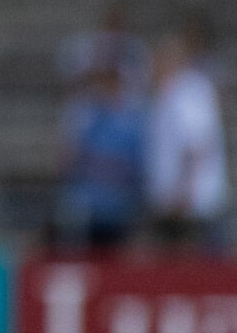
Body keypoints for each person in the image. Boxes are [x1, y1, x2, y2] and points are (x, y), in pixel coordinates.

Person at [145, 21, 228, 251]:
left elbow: (195, 145)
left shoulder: (185, 94)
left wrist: (183, 193)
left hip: (189, 206)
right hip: (179, 202)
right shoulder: (169, 95)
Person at [55, 51, 145, 253]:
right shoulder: (85, 115)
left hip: (120, 205)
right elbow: (68, 157)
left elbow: (137, 164)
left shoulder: (133, 120)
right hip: (88, 203)